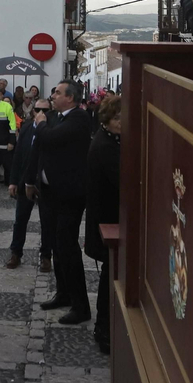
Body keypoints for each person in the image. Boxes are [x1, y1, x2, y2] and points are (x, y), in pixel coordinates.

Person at [26, 80, 94, 325]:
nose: (53, 95)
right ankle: (63, 293)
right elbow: (41, 149)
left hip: (69, 195)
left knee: (68, 247)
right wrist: (29, 181)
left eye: (58, 92)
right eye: (53, 91)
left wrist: (41, 125)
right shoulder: (55, 116)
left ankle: (81, 306)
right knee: (55, 244)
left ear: (71, 98)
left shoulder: (79, 118)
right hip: (49, 193)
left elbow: (49, 139)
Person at [85, 93, 122, 354]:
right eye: (117, 118)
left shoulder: (112, 140)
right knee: (109, 279)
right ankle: (104, 331)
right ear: (107, 120)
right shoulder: (105, 146)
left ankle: (106, 329)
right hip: (107, 223)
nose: (122, 122)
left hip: (110, 221)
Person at [7, 96, 55, 273]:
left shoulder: (52, 129)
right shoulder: (26, 128)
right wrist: (13, 181)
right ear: (32, 111)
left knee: (47, 222)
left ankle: (45, 256)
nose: (41, 113)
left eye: (46, 110)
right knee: (20, 220)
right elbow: (18, 157)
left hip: (44, 184)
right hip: (24, 181)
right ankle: (16, 253)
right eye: (38, 110)